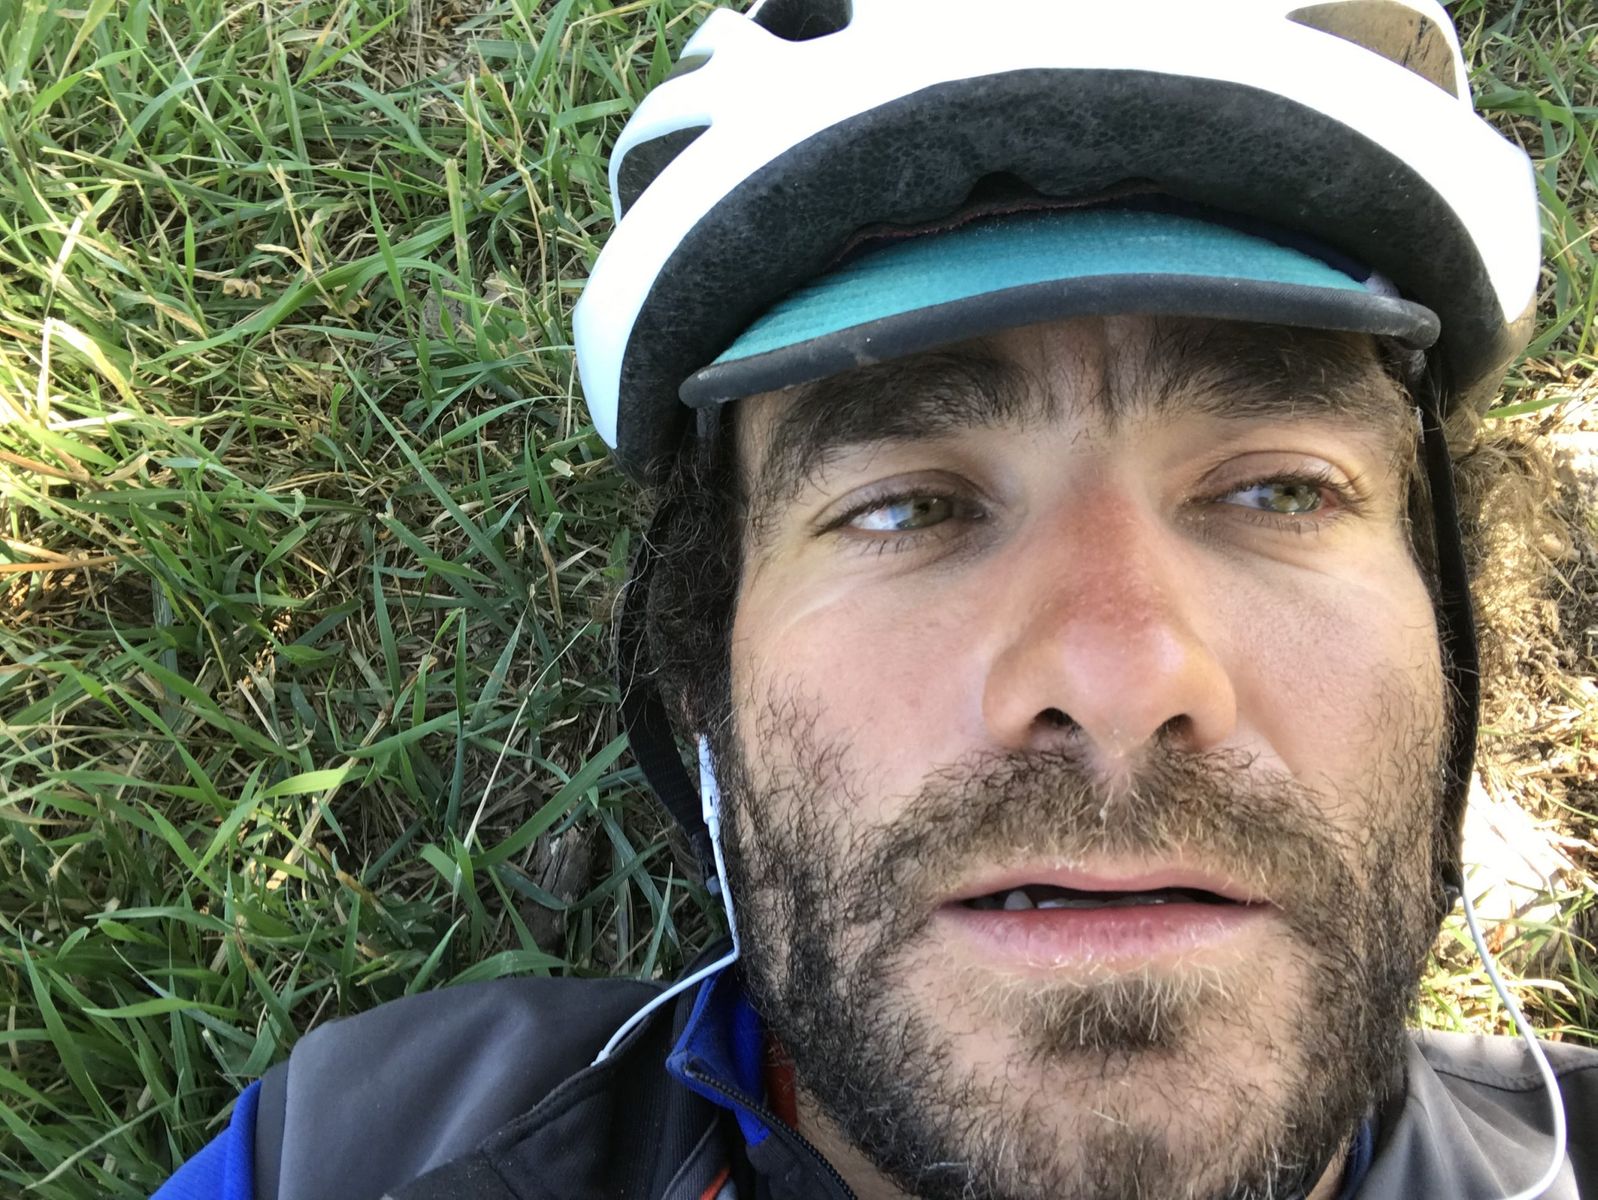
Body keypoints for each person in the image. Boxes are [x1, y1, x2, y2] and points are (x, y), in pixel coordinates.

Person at [153, 1, 1597, 1198]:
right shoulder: (352, 1155)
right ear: (702, 677)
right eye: (904, 506)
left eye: (1277, 490)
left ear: (1450, 640)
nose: (1118, 676)